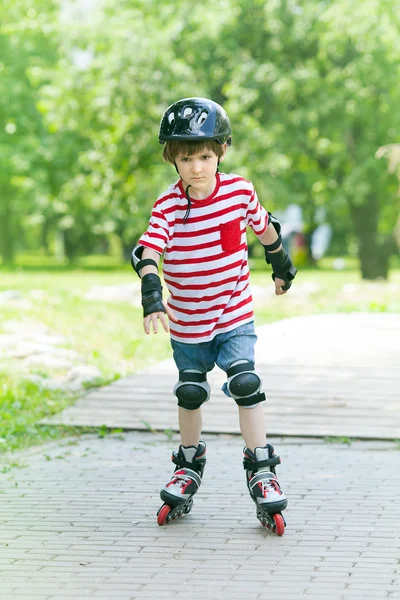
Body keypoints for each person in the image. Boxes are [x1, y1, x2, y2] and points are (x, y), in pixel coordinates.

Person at [131, 97, 297, 532]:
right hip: (187, 323)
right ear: (173, 159)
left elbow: (265, 228)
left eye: (205, 156)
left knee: (245, 381)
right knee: (189, 392)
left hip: (233, 314)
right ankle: (188, 463)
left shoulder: (239, 191)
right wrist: (152, 293)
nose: (197, 168)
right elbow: (149, 250)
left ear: (220, 151)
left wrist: (281, 265)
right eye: (186, 159)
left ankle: (262, 467)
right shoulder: (167, 205)